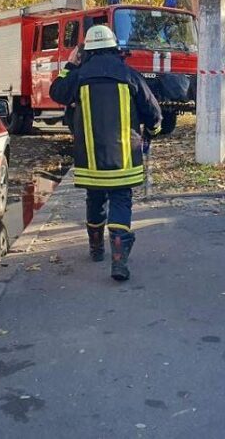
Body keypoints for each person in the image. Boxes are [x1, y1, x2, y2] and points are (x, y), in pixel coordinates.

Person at [50, 25, 162, 281]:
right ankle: (119, 258)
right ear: (114, 48)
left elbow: (57, 92)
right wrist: (151, 133)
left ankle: (96, 248)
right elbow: (153, 113)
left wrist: (70, 65)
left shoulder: (79, 76)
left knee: (95, 200)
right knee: (121, 200)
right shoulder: (129, 74)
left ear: (86, 51)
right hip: (124, 160)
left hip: (90, 161)